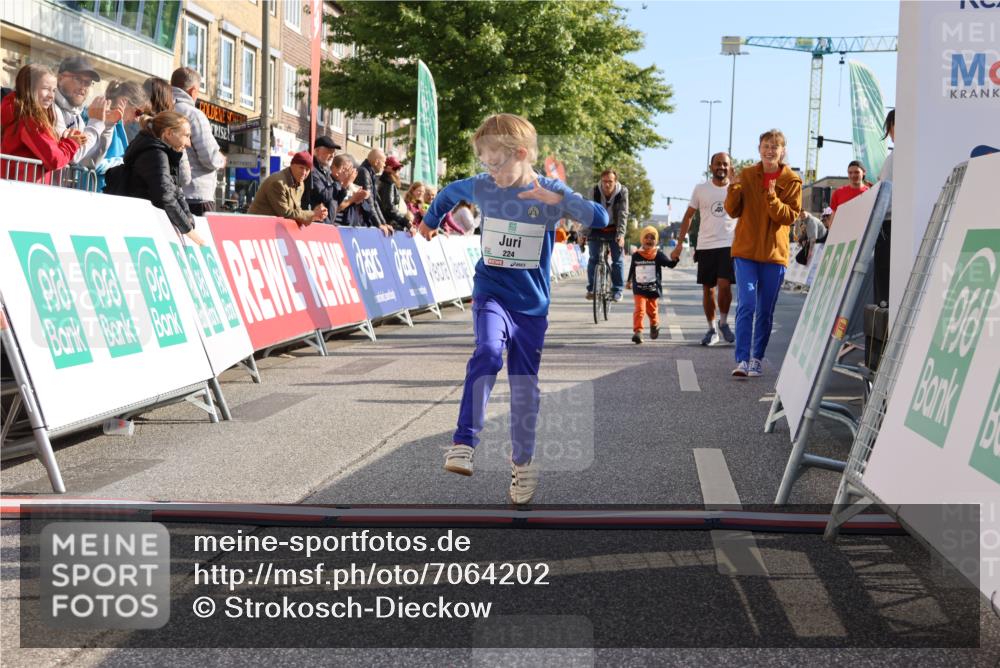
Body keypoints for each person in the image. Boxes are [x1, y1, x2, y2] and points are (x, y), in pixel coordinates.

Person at [418, 113, 607, 504]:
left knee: (525, 389)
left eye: (497, 163)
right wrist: (429, 221)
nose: (491, 171)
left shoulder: (549, 190)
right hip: (491, 291)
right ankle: (463, 442)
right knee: (486, 353)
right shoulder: (485, 188)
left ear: (521, 154)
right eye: (485, 163)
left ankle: (522, 464)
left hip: (532, 306)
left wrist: (560, 200)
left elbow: (600, 217)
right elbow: (451, 192)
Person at [725, 129, 802, 378]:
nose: (770, 150)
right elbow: (732, 211)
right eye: (766, 146)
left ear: (783, 151)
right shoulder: (747, 174)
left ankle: (757, 358)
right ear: (759, 148)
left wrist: (772, 198)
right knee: (746, 304)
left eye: (775, 147)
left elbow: (789, 216)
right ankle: (742, 360)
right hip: (746, 251)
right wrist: (734, 186)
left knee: (766, 310)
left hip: (774, 255)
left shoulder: (791, 181)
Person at [672, 152, 737, 346]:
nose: (721, 167)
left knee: (724, 287)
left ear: (730, 167)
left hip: (728, 245)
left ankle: (724, 323)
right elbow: (688, 216)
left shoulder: (736, 189)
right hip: (706, 245)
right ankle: (711, 329)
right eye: (718, 164)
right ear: (711, 167)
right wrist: (679, 244)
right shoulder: (701, 189)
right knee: (708, 290)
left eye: (725, 164)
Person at [118, 111, 203, 245]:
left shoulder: (164, 152)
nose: (188, 143)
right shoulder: (155, 154)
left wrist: (188, 219)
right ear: (168, 133)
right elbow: (165, 197)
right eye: (186, 136)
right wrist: (191, 233)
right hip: (139, 227)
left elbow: (176, 190)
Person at [1, 64, 85, 182]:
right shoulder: (29, 120)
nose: (51, 95)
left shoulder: (20, 116)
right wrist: (72, 143)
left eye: (54, 90)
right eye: (45, 88)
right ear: (29, 88)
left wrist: (63, 140)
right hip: (24, 191)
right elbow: (54, 160)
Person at [171, 67, 225, 215]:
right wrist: (221, 159)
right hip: (197, 195)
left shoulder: (164, 109)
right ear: (193, 91)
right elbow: (210, 158)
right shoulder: (194, 115)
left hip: (171, 193)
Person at [52, 55, 118, 168]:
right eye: (77, 79)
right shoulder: (50, 107)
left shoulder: (77, 115)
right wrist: (96, 123)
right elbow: (73, 156)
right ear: (60, 78)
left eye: (87, 82)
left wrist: (107, 127)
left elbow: (89, 162)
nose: (83, 87)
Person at [626, 226, 678, 344]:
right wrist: (629, 281)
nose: (649, 240)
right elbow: (632, 268)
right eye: (646, 237)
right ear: (642, 239)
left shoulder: (658, 255)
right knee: (640, 309)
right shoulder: (636, 255)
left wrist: (675, 259)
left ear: (656, 241)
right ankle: (638, 332)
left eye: (652, 238)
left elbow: (669, 264)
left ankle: (654, 324)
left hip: (652, 289)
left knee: (652, 311)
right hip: (639, 288)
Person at [93, 80, 148, 192]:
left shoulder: (118, 126)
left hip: (106, 191)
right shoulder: (101, 120)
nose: (137, 119)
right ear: (124, 102)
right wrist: (124, 164)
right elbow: (92, 162)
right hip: (95, 190)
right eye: (138, 112)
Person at [248, 151, 327, 226]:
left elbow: (296, 212)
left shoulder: (300, 184)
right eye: (301, 168)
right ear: (292, 165)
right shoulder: (278, 183)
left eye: (307, 170)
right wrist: (313, 214)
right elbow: (285, 213)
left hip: (273, 228)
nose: (304, 173)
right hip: (257, 227)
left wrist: (315, 215)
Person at [584, 169, 629, 302]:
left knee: (617, 260)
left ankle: (617, 290)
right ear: (601, 181)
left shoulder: (622, 192)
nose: (607, 184)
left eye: (610, 181)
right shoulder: (594, 191)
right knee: (593, 258)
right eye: (604, 181)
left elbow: (623, 214)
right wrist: (583, 233)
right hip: (597, 227)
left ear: (615, 182)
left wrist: (621, 235)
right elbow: (588, 213)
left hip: (614, 228)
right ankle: (592, 288)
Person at [874, 109, 894, 307]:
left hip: (888, 225)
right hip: (893, 224)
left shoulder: (895, 158)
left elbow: (885, 195)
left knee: (884, 281)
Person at [302, 135, 346, 225]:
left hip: (327, 222)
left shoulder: (325, 171)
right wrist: (338, 182)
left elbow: (335, 200)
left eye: (334, 153)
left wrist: (344, 185)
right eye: (329, 152)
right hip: (316, 223)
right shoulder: (312, 170)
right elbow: (323, 196)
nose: (332, 156)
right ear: (317, 151)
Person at [354, 148, 392, 236]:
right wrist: (379, 224)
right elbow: (369, 202)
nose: (384, 165)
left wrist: (383, 223)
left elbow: (375, 202)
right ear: (376, 162)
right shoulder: (364, 172)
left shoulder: (370, 173)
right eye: (383, 162)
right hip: (360, 221)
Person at [828, 160, 869, 226]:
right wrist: (831, 233)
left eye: (856, 172)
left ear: (864, 172)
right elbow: (833, 215)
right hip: (843, 232)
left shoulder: (870, 193)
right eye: (850, 173)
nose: (853, 175)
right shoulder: (838, 193)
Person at [377, 155, 411, 231]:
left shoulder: (385, 182)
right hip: (389, 225)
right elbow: (389, 208)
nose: (398, 171)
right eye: (395, 168)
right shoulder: (388, 183)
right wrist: (406, 222)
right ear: (388, 168)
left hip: (386, 223)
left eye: (399, 169)